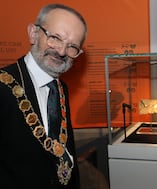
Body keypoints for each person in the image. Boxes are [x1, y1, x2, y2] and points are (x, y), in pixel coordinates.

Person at [0, 4, 87, 189]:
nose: (62, 52)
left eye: (72, 46)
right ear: (33, 33)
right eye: (55, 38)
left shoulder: (61, 88)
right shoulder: (2, 88)